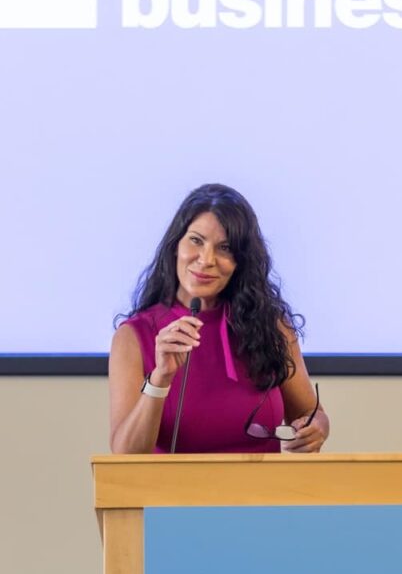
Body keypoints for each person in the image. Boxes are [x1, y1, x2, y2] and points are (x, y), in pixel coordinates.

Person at [109, 184, 330, 454]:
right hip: (173, 495)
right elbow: (125, 456)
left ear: (241, 261)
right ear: (175, 245)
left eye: (225, 247)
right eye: (196, 240)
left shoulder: (271, 327)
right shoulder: (134, 336)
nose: (206, 259)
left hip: (265, 494)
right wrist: (160, 378)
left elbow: (309, 413)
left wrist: (316, 428)